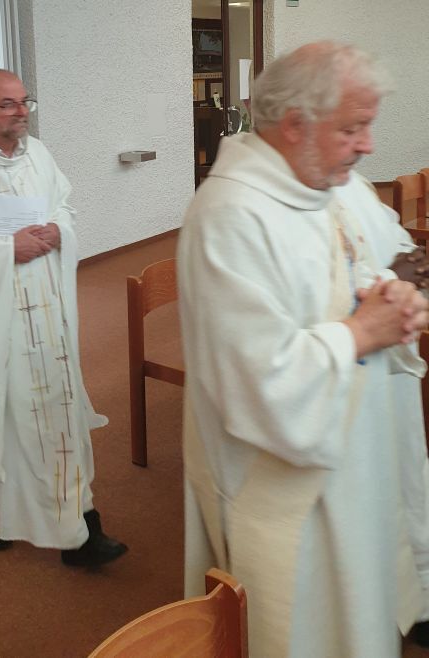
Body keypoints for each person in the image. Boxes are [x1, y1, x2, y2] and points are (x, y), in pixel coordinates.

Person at [178, 41, 429, 657]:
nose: (368, 145)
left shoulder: (329, 182)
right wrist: (362, 332)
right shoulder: (231, 215)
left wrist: (399, 297)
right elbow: (257, 380)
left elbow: (382, 261)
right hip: (287, 477)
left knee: (362, 600)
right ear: (294, 124)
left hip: (358, 443)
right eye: (353, 127)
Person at [0, 69, 127, 567]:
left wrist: (58, 230)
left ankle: (79, 525)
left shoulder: (39, 155)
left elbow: (64, 206)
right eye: (7, 104)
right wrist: (2, 250)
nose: (21, 112)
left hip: (44, 313)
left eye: (24, 101)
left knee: (56, 411)